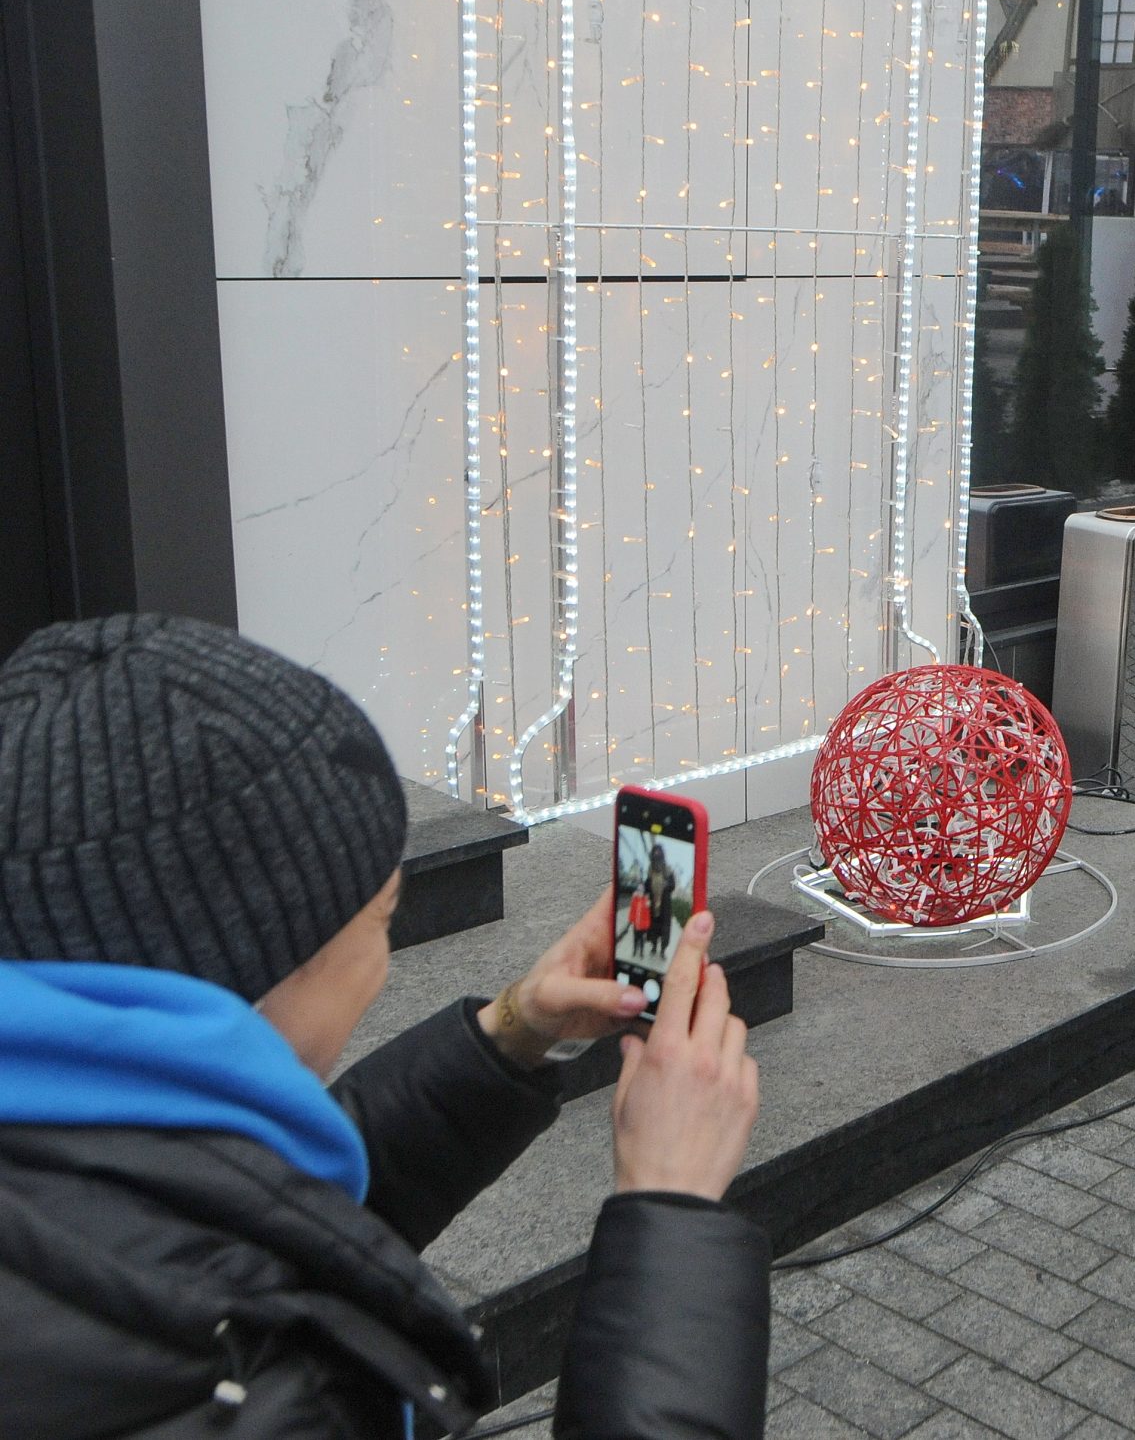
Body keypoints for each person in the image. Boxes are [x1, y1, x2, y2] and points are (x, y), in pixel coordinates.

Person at [0, 614, 767, 1437]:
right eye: (381, 918)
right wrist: (670, 1209)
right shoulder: (244, 1387)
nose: (386, 958)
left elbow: (246, 1211)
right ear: (267, 962)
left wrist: (513, 1030)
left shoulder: (75, 1164)